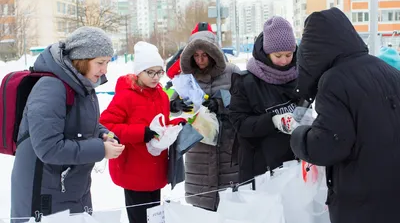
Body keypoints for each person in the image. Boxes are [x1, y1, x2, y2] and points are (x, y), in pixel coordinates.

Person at [289, 7, 400, 223]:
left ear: (312, 52)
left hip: (361, 203)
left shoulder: (334, 81)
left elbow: (327, 146)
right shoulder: (391, 72)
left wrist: (298, 135)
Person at [10, 26, 125, 222]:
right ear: (81, 60)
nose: (105, 70)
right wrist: (100, 149)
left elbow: (80, 124)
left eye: (107, 62)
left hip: (69, 190)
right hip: (43, 195)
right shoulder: (51, 88)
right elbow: (48, 148)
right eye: (100, 63)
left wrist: (103, 134)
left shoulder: (81, 85)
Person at [100, 42, 185, 223]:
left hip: (156, 167)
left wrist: (177, 125)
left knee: (155, 217)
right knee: (140, 218)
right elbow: (106, 125)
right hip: (134, 170)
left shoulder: (162, 95)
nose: (156, 77)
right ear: (139, 72)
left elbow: (163, 122)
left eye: (159, 72)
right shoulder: (126, 96)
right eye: (150, 72)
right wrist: (140, 133)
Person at [170, 30, 240, 211]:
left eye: (205, 55)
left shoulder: (231, 72)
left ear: (213, 53)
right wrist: (176, 105)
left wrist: (220, 104)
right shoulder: (186, 79)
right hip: (199, 146)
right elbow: (169, 105)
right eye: (196, 55)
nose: (200, 60)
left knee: (231, 207)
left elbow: (243, 102)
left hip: (228, 145)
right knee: (201, 207)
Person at [229, 16, 299, 183]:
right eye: (278, 55)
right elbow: (239, 122)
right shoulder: (247, 82)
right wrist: (272, 120)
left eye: (289, 55)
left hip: (294, 164)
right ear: (266, 54)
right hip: (260, 170)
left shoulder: (299, 76)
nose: (284, 61)